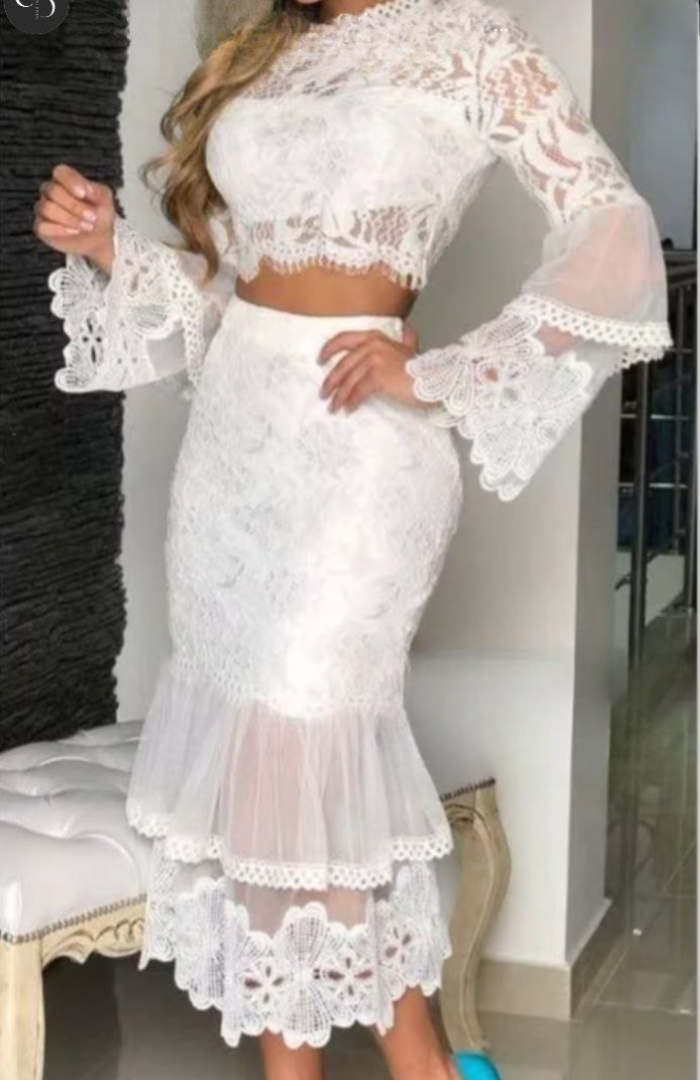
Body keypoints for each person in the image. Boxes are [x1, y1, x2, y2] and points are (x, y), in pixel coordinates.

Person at [35, 0, 671, 1077]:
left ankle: (424, 1063)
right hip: (235, 442)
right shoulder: (270, 49)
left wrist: (443, 372)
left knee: (306, 737)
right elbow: (237, 290)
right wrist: (108, 249)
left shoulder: (472, 42)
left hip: (357, 452)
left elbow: (613, 232)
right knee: (258, 763)